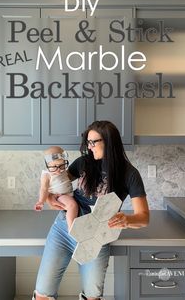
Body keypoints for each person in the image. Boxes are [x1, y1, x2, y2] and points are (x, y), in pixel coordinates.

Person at [33, 120, 149, 300]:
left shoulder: (130, 174)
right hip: (64, 229)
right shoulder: (83, 162)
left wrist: (126, 220)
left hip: (96, 237)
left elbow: (143, 217)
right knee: (42, 294)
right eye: (88, 142)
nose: (89, 146)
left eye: (93, 142)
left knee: (92, 297)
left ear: (109, 142)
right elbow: (57, 182)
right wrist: (48, 197)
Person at [35, 146, 78, 230]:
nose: (59, 170)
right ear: (48, 165)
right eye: (54, 166)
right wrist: (41, 201)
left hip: (67, 194)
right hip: (59, 196)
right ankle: (71, 229)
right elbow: (44, 188)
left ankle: (69, 221)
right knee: (72, 206)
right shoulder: (46, 175)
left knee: (72, 206)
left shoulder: (63, 171)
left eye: (62, 166)